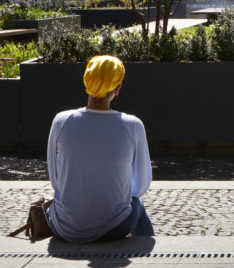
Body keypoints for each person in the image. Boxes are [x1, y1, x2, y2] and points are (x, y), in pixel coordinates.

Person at [47, 55, 154, 243]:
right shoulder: (133, 125)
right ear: (118, 87)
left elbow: (56, 181)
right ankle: (148, 246)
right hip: (113, 229)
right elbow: (140, 186)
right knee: (136, 204)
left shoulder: (61, 121)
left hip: (64, 228)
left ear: (86, 82)